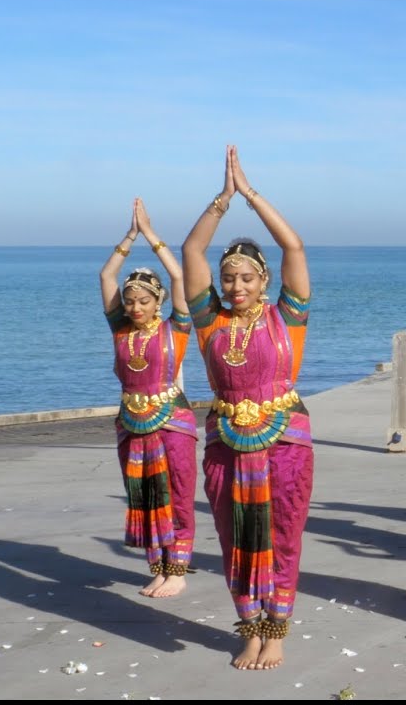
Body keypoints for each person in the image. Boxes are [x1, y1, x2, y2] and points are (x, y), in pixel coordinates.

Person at [181, 145, 313, 671]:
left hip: (284, 440)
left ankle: (275, 629)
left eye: (247, 278)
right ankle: (249, 628)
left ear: (265, 282)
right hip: (226, 443)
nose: (236, 287)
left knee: (280, 536)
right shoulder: (210, 321)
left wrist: (252, 195)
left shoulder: (288, 318)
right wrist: (222, 200)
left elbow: (294, 247)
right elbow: (192, 252)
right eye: (229, 278)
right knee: (235, 540)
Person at [99, 197, 198, 599]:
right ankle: (157, 567)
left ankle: (179, 569)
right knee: (143, 497)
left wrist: (152, 235)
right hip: (131, 422)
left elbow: (178, 278)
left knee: (175, 493)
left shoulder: (176, 328)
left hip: (171, 419)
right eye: (131, 301)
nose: (136, 307)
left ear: (158, 302)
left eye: (144, 301)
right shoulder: (121, 331)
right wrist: (128, 236)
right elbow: (106, 276)